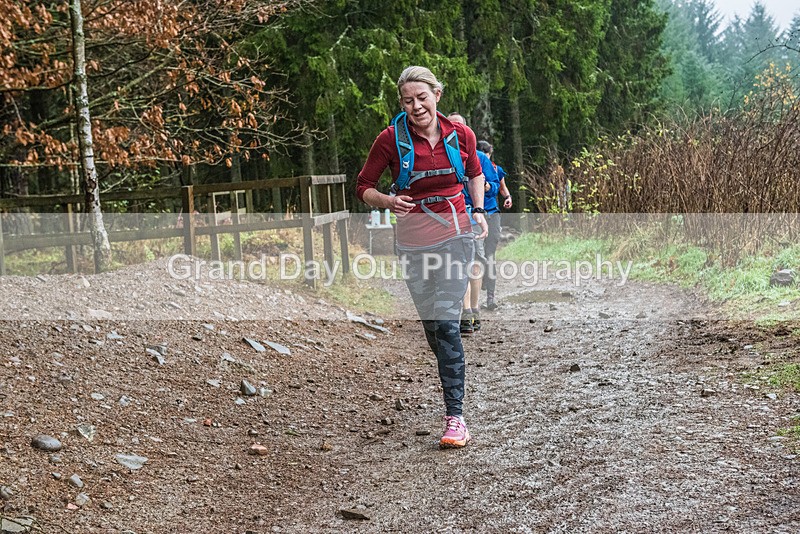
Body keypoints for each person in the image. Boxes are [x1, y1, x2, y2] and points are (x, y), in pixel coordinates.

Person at [356, 66, 487, 449]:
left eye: (422, 98)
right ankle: (453, 387)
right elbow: (363, 186)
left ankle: (455, 417)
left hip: (456, 236)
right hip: (413, 245)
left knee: (446, 324)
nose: (416, 106)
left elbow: (476, 173)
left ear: (437, 95)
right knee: (433, 327)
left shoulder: (461, 134)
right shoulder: (389, 141)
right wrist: (387, 200)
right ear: (402, 104)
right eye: (408, 100)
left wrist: (477, 210)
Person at [477, 140, 512, 311]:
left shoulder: (496, 169)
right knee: (478, 256)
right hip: (474, 216)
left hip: (492, 214)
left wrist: (508, 197)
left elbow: (502, 188)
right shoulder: (471, 168)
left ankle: (490, 298)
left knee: (489, 255)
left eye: (488, 155)